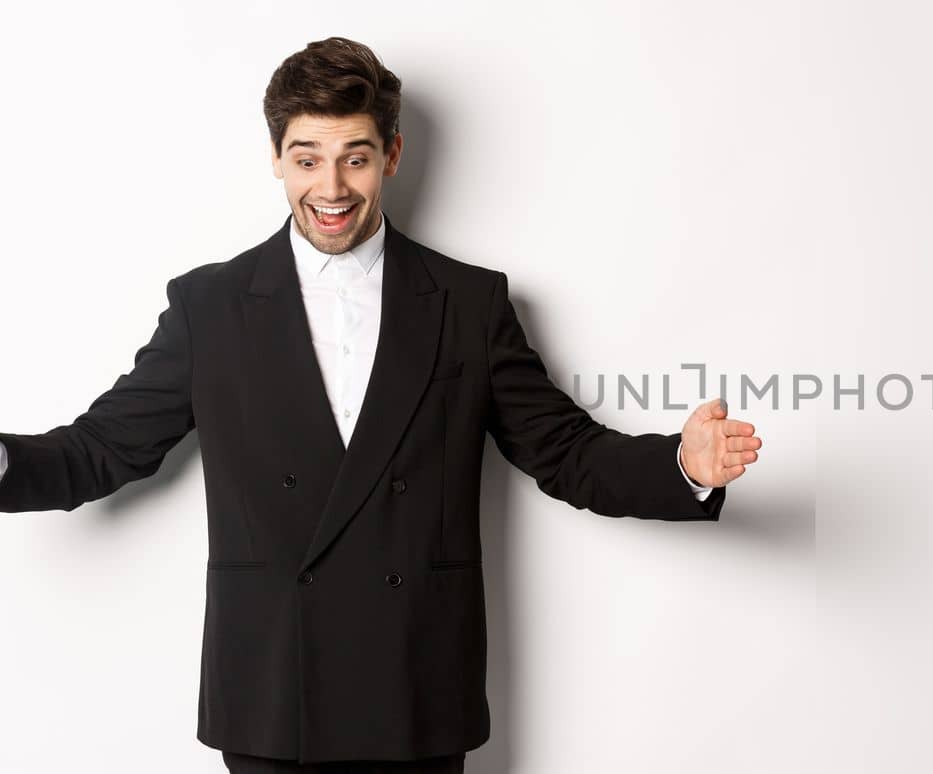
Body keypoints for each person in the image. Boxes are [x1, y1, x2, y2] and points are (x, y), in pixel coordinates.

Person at [0, 36, 762, 773]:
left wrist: (680, 464)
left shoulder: (468, 303)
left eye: (354, 159)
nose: (330, 190)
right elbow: (101, 448)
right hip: (273, 699)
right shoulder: (210, 306)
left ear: (391, 155)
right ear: (275, 159)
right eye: (307, 160)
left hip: (415, 693)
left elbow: (565, 453)